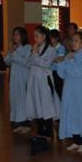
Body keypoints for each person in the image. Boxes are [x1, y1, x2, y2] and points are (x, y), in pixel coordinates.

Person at [57, 31, 82, 153]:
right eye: (72, 40)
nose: (73, 43)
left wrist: (69, 66)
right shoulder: (69, 56)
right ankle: (75, 141)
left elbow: (81, 71)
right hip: (70, 89)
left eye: (76, 41)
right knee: (72, 113)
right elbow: (61, 73)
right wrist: (65, 60)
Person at [26, 26, 61, 154]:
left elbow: (45, 64)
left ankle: (48, 133)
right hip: (34, 80)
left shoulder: (51, 50)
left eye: (37, 36)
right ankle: (40, 131)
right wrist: (33, 53)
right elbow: (28, 63)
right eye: (34, 36)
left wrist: (35, 54)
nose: (35, 39)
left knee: (46, 106)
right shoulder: (35, 48)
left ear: (44, 36)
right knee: (37, 106)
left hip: (45, 81)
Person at [3, 27, 32, 134]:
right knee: (15, 99)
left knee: (23, 99)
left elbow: (25, 62)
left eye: (17, 34)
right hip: (14, 77)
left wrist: (14, 53)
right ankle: (18, 122)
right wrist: (10, 52)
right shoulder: (15, 48)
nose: (15, 36)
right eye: (14, 34)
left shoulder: (28, 47)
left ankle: (26, 123)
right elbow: (6, 61)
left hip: (24, 77)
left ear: (22, 36)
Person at [49, 29, 67, 100]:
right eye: (49, 37)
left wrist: (49, 59)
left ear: (57, 38)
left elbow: (59, 59)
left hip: (58, 72)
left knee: (58, 91)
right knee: (50, 91)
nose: (50, 39)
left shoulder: (61, 47)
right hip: (49, 71)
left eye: (52, 37)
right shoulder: (49, 47)